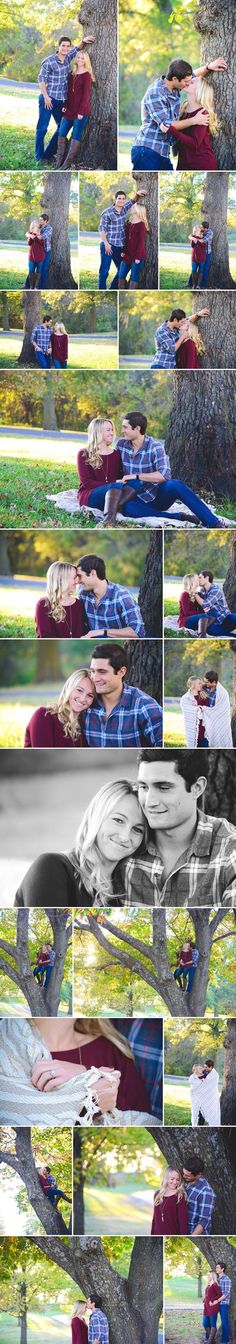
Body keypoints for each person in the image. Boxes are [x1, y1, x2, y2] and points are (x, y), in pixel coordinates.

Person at [115, 748, 236, 906]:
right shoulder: (123, 843)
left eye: (164, 788)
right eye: (144, 787)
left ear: (197, 788)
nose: (150, 802)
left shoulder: (229, 851)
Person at [14, 780, 147, 907]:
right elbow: (45, 930)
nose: (125, 836)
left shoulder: (124, 889)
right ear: (96, 816)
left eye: (137, 829)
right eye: (118, 820)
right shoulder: (51, 867)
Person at [0, 1017, 153, 1124]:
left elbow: (139, 1117)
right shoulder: (6, 1041)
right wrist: (88, 1100)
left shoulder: (111, 1050)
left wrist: (85, 1074)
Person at [102, 410, 224, 527]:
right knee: (128, 509)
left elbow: (164, 476)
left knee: (175, 484)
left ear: (137, 428)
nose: (122, 431)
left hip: (156, 496)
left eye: (125, 427)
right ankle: (179, 517)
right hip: (134, 498)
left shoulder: (155, 447)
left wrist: (136, 476)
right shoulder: (121, 445)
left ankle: (213, 522)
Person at [131, 57, 226, 172]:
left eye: (189, 82)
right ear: (175, 79)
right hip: (147, 149)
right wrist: (194, 120)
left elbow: (192, 78)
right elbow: (167, 125)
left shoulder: (175, 86)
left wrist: (208, 67)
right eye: (186, 82)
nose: (187, 84)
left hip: (163, 151)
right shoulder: (155, 93)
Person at [81, 642, 163, 746]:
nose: (95, 678)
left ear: (121, 672)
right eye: (92, 671)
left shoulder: (144, 706)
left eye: (102, 672)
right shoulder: (85, 703)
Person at [35, 33, 94, 164]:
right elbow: (41, 79)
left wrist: (83, 41)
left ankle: (47, 154)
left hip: (60, 101)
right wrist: (45, 96)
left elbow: (77, 50)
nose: (66, 48)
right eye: (63, 46)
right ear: (59, 46)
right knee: (42, 128)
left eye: (68, 46)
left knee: (60, 127)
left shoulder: (68, 58)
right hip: (48, 100)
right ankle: (39, 157)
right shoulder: (49, 61)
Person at [76, 552, 146, 636]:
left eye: (80, 576)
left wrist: (103, 631)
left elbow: (138, 631)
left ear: (92, 573)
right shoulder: (83, 596)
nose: (78, 581)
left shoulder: (121, 596)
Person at [24, 669, 94, 748]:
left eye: (90, 695)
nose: (82, 699)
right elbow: (42, 757)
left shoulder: (85, 725)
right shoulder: (44, 716)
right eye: (79, 690)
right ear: (69, 688)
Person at [161, 75, 219, 171]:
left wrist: (171, 130)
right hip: (183, 163)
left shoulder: (203, 113)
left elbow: (194, 143)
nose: (187, 82)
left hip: (201, 165)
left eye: (192, 82)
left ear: (199, 91)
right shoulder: (183, 109)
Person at [98, 188, 146, 290]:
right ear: (115, 199)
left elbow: (132, 201)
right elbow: (102, 229)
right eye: (119, 198)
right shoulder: (107, 212)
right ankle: (102, 289)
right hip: (108, 245)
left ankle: (113, 289)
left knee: (120, 270)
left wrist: (137, 194)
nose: (121, 200)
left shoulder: (124, 209)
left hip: (119, 246)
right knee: (104, 271)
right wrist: (106, 244)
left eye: (123, 199)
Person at [55, 50, 95, 169]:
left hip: (81, 112)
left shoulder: (87, 75)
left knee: (76, 136)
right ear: (76, 58)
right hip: (69, 110)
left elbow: (86, 95)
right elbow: (69, 92)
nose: (80, 60)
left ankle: (66, 164)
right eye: (78, 57)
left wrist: (81, 112)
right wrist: (65, 105)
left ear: (86, 60)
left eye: (82, 58)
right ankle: (58, 162)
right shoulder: (72, 73)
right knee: (61, 133)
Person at [77, 417, 123, 513]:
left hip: (112, 494)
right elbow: (87, 483)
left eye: (112, 430)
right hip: (90, 495)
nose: (112, 433)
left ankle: (162, 517)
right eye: (108, 430)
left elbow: (119, 477)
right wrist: (113, 483)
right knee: (116, 487)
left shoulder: (116, 454)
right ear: (98, 432)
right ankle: (108, 520)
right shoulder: (84, 453)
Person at [35, 562, 87, 638]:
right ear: (62, 580)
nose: (77, 581)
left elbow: (83, 633)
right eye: (74, 577)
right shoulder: (44, 604)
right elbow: (46, 636)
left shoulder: (79, 604)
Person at [180, 673, 233, 749]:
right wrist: (197, 709)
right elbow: (187, 709)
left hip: (205, 727)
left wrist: (201, 709)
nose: (202, 684)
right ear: (193, 685)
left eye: (201, 682)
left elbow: (207, 709)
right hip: (193, 726)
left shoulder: (204, 695)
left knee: (204, 747)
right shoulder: (186, 698)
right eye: (199, 683)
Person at [118, 203, 149, 289]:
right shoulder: (129, 222)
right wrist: (123, 250)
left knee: (134, 278)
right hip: (127, 255)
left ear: (138, 210)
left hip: (137, 256)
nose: (131, 208)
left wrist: (138, 257)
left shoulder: (141, 225)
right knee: (121, 276)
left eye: (133, 207)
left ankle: (131, 291)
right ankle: (122, 290)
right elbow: (126, 239)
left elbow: (141, 242)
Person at [183, 1157, 216, 1232]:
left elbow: (204, 1221)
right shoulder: (184, 1182)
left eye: (187, 1175)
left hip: (192, 1232)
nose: (184, 1176)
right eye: (183, 1173)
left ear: (198, 1174)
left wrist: (192, 1237)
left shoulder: (205, 1192)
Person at [151, 1168, 188, 1234]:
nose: (175, 1182)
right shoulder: (157, 1194)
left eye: (177, 1179)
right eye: (172, 1179)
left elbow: (183, 1223)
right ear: (166, 1178)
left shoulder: (180, 1196)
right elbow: (155, 1219)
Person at [190, 1061, 221, 1127]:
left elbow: (209, 1085)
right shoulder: (193, 1077)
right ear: (196, 1070)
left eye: (205, 1067)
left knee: (203, 1115)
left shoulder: (212, 1075)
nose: (204, 1069)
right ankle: (195, 1125)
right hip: (197, 1098)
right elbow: (196, 1087)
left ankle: (201, 1126)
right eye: (201, 1068)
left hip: (207, 1099)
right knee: (196, 1113)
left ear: (211, 1067)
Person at [187, 221, 213, 291]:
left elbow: (203, 241)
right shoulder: (199, 232)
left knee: (204, 269)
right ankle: (192, 283)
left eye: (202, 227)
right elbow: (192, 235)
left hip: (206, 253)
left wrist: (195, 238)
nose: (200, 228)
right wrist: (192, 237)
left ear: (205, 228)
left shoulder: (209, 233)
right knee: (194, 269)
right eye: (200, 227)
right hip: (195, 256)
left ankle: (202, 285)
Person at [203, 1272, 222, 1344]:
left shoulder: (215, 1284)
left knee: (212, 1323)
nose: (207, 1276)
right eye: (207, 1275)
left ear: (212, 1276)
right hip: (207, 1307)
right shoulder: (208, 1284)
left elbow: (219, 1294)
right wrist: (204, 1300)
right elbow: (208, 1295)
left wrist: (212, 1300)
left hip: (213, 1307)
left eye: (209, 1275)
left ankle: (209, 1341)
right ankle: (212, 1340)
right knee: (205, 1323)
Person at [26, 219, 46, 289]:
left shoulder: (42, 233)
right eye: (33, 225)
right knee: (31, 271)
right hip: (31, 257)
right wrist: (31, 236)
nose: (34, 226)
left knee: (39, 272)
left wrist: (34, 237)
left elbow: (42, 243)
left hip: (40, 257)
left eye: (35, 225)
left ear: (38, 226)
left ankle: (36, 287)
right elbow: (29, 243)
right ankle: (31, 287)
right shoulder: (30, 234)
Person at [215, 1262, 232, 1344]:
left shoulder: (227, 1279)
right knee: (211, 1320)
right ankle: (209, 1337)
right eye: (216, 1267)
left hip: (224, 1304)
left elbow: (226, 1293)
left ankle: (225, 1341)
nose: (216, 1269)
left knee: (224, 1321)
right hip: (216, 1304)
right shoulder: (217, 1279)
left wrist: (217, 1300)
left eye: (218, 1267)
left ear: (222, 1269)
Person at [39, 213, 53, 287]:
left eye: (41, 220)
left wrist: (34, 235)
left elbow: (43, 237)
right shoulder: (38, 227)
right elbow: (31, 232)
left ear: (46, 221)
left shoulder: (49, 228)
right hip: (38, 251)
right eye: (39, 220)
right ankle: (32, 285)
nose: (40, 221)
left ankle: (42, 286)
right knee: (37, 268)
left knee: (44, 268)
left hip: (46, 251)